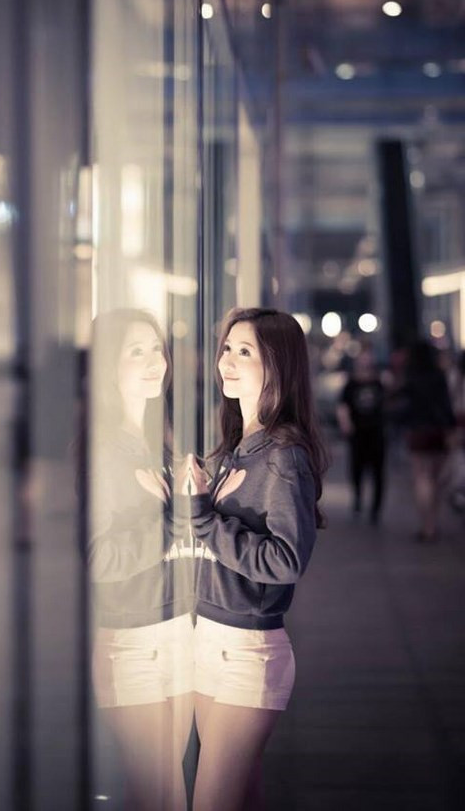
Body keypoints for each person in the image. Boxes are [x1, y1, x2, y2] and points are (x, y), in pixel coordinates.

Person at [180, 307, 328, 811]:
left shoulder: (284, 455)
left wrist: (204, 519)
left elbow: (286, 561)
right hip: (210, 638)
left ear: (277, 367)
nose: (228, 361)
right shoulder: (235, 449)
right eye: (227, 348)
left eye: (245, 352)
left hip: (248, 651)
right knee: (240, 797)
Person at [88, 309, 193, 810]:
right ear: (108, 367)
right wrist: (173, 522)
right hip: (132, 641)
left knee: (159, 792)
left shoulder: (154, 441)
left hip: (173, 629)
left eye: (157, 349)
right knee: (161, 795)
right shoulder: (106, 450)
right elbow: (99, 558)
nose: (155, 362)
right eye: (136, 351)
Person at [395, 340, 456, 541]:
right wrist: (450, 428)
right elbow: (446, 404)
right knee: (436, 479)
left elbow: (401, 402)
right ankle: (434, 522)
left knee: (422, 477)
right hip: (438, 429)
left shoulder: (410, 376)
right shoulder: (439, 375)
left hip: (418, 430)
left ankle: (426, 525)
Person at [336, 348, 386, 523]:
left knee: (378, 471)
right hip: (357, 432)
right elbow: (343, 405)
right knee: (357, 468)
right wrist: (346, 423)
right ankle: (358, 499)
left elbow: (386, 403)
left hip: (376, 431)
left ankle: (376, 508)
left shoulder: (379, 382)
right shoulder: (351, 383)